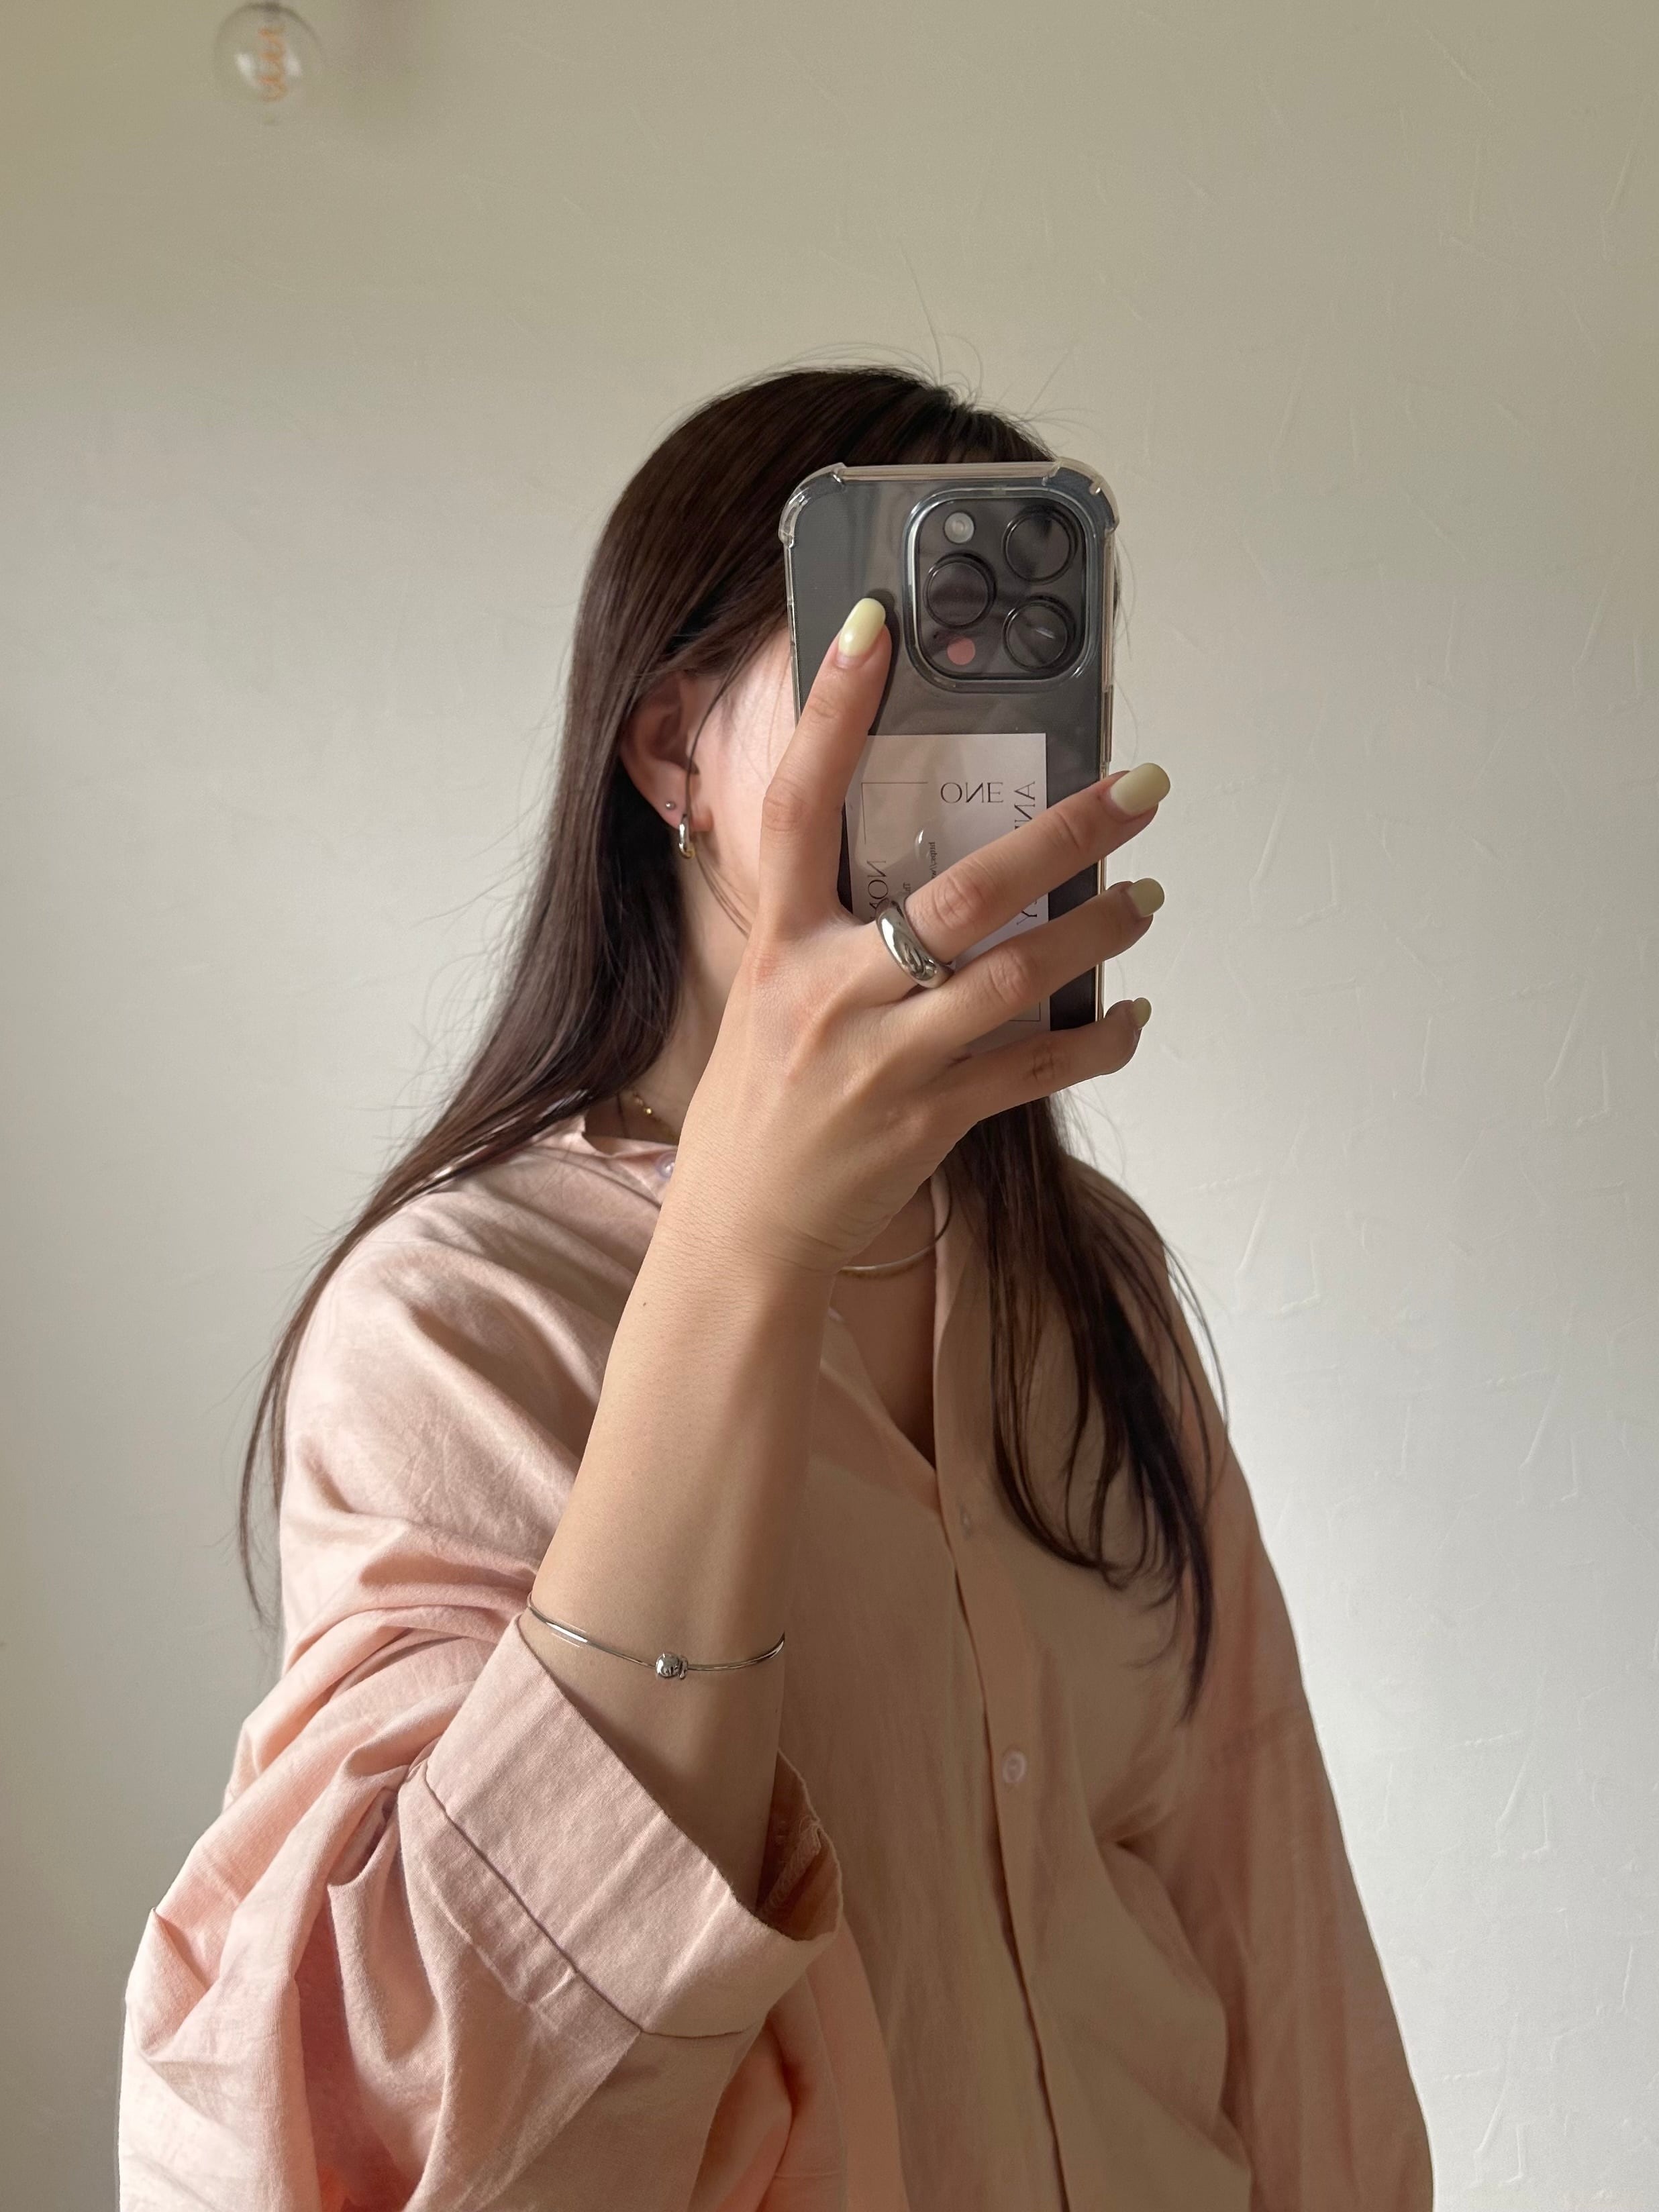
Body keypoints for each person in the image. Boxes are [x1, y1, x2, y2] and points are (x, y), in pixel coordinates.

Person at [119, 365, 1434, 2211]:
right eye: (906, 648)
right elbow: (407, 2122)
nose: (980, 742)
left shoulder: (1096, 1290)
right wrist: (746, 1240)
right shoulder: (460, 1328)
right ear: (671, 752)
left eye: (1028, 651)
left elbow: (1270, 1931)